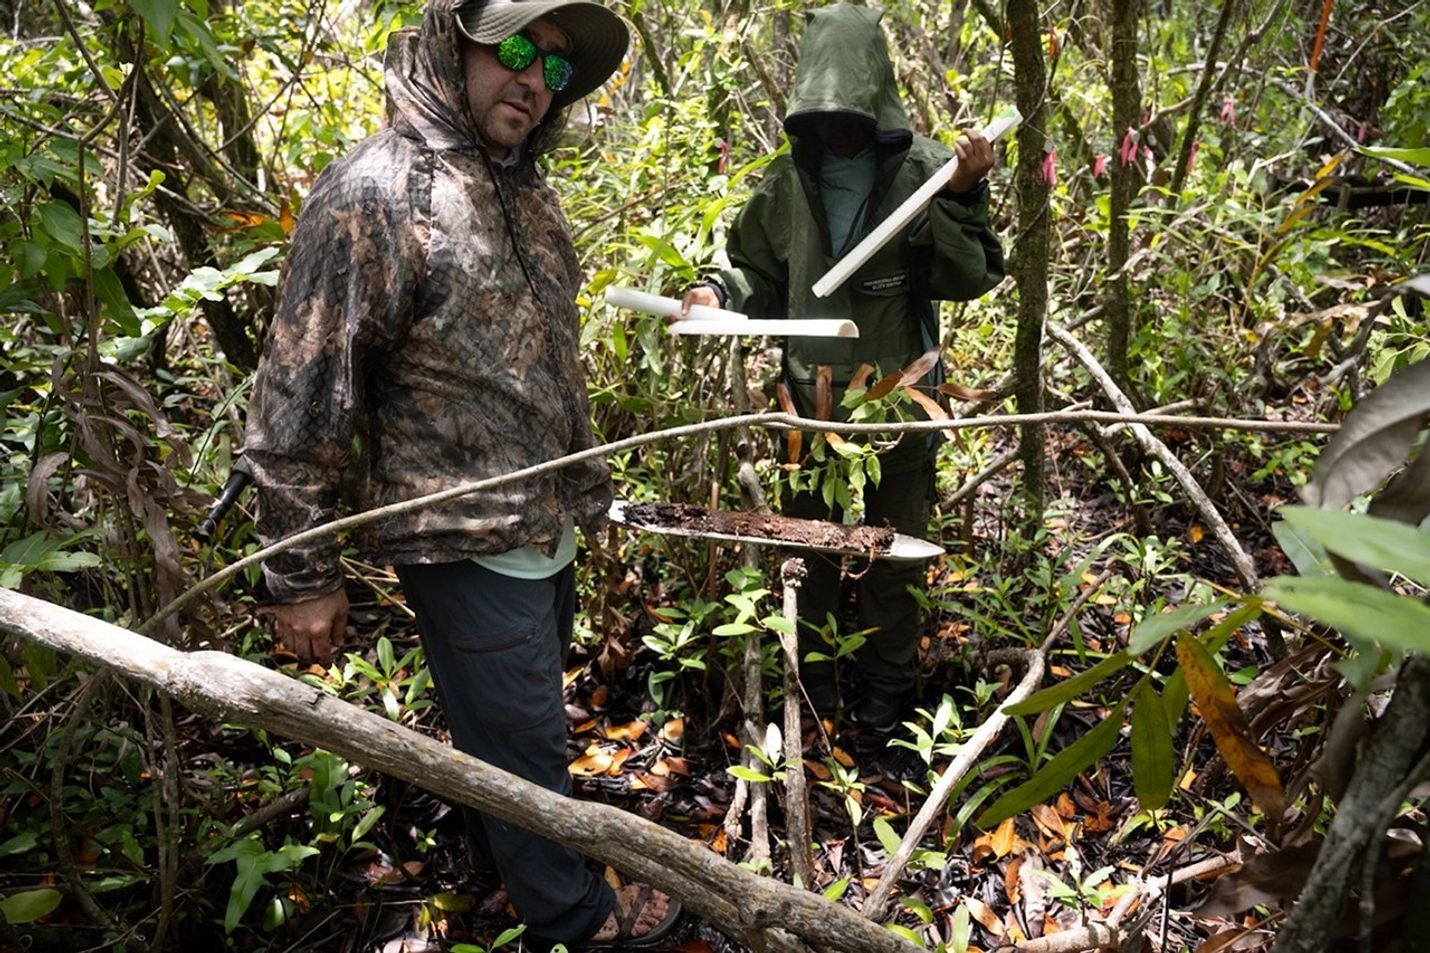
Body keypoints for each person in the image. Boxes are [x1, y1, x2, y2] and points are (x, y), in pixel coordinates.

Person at [243, 0, 678, 949]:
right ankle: (575, 916)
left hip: (539, 522)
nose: (534, 79)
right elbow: (302, 390)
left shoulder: (517, 182)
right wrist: (300, 575)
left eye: (555, 67)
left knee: (514, 728)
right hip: (463, 538)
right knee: (525, 747)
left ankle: (508, 870)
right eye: (518, 48)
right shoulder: (379, 189)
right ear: (458, 40)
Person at [683, 4, 1005, 735]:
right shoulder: (788, 184)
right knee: (813, 549)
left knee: (895, 554)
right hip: (811, 405)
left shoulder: (926, 171)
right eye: (819, 114)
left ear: (877, 103)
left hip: (901, 404)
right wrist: (716, 292)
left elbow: (973, 275)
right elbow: (752, 269)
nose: (834, 128)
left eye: (848, 113)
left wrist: (962, 197)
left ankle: (890, 692)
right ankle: (818, 684)